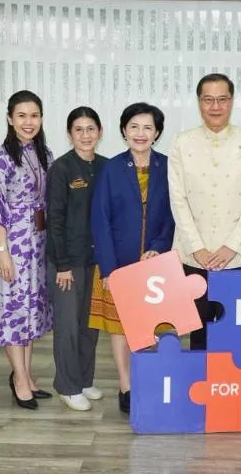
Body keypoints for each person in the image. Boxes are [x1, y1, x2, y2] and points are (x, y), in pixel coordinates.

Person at [168, 73, 241, 350]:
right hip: (193, 254)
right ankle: (200, 378)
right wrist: (197, 248)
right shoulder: (182, 143)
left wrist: (231, 247)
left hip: (236, 255)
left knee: (231, 333)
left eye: (222, 99)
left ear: (231, 102)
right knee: (197, 329)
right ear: (199, 102)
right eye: (208, 100)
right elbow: (178, 200)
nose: (215, 107)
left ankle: (227, 379)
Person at [90, 102, 175, 414]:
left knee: (151, 327)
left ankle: (148, 381)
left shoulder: (168, 167)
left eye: (148, 128)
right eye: (134, 127)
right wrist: (108, 270)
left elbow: (174, 214)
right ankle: (125, 385)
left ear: (157, 133)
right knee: (120, 329)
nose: (141, 133)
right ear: (124, 131)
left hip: (154, 264)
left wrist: (159, 246)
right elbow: (100, 220)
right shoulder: (112, 168)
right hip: (118, 263)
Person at [0, 90, 54, 410]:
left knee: (30, 312)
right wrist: (3, 251)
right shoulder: (2, 157)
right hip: (13, 245)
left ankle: (26, 374)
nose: (29, 122)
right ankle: (19, 380)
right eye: (22, 116)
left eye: (34, 115)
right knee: (13, 312)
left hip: (38, 246)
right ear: (10, 119)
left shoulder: (44, 154)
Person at [46, 107, 107, 412]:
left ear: (100, 132)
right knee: (68, 326)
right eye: (79, 130)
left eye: (90, 129)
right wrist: (63, 265)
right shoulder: (61, 168)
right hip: (67, 263)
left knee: (89, 325)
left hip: (96, 259)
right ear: (70, 134)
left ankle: (84, 380)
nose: (85, 135)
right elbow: (55, 219)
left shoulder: (107, 167)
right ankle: (67, 386)